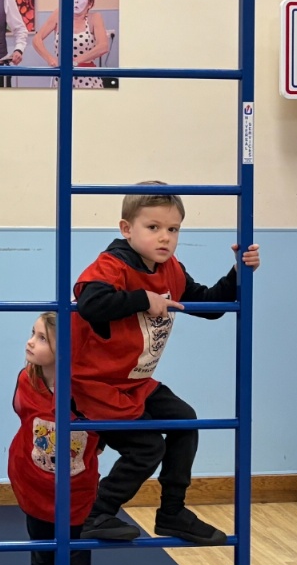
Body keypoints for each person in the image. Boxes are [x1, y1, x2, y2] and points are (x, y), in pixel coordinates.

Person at [72, 184, 261, 544]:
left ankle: (172, 512)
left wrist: (238, 273)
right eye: (153, 227)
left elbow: (208, 306)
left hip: (135, 382)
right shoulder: (111, 265)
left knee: (185, 421)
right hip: (95, 386)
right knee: (147, 448)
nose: (165, 237)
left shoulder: (170, 268)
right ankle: (96, 513)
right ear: (127, 229)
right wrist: (142, 299)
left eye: (173, 229)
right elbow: (90, 303)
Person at [7, 311, 97, 565]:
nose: (30, 342)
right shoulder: (25, 381)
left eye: (42, 337)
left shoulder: (89, 391)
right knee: (42, 555)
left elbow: (102, 434)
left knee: (77, 559)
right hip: (34, 487)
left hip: (76, 492)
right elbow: (24, 419)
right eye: (32, 333)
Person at [33, 0, 111, 89]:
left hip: (87, 76)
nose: (76, 1)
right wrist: (50, 59)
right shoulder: (59, 14)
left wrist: (75, 62)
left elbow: (103, 46)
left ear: (90, 4)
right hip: (62, 75)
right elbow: (37, 39)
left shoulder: (94, 18)